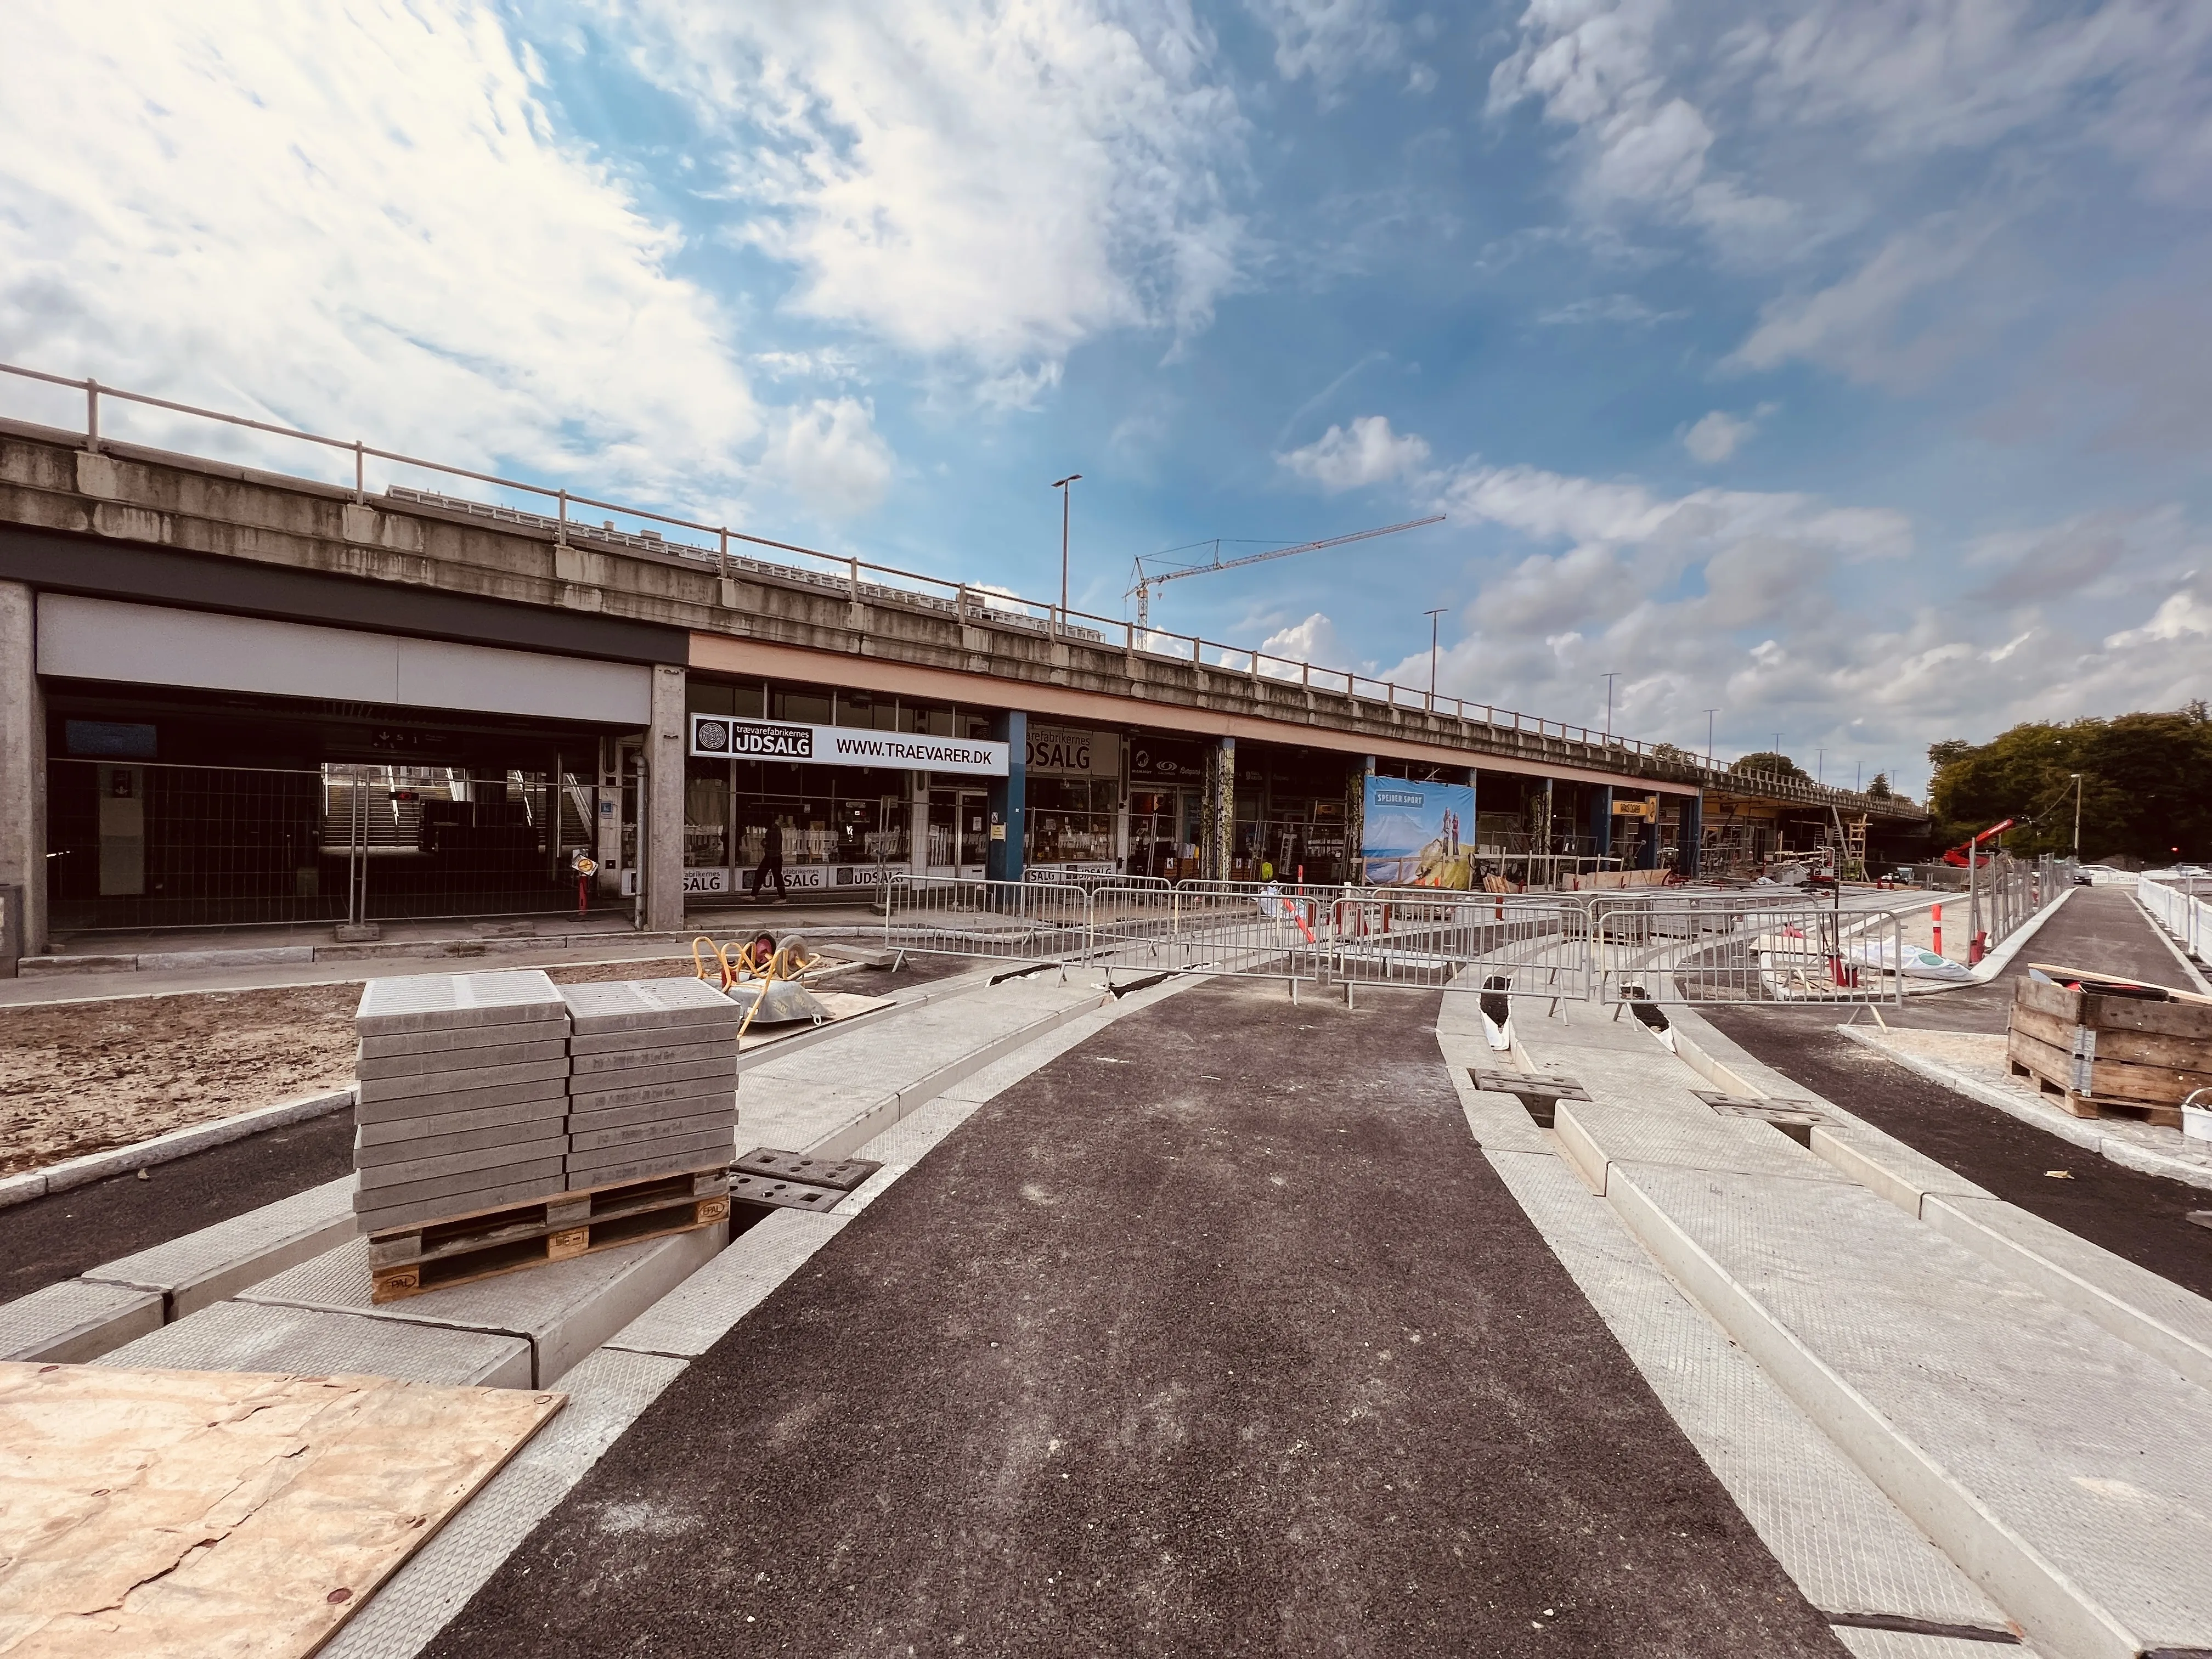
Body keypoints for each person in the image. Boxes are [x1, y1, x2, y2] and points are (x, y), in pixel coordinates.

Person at [752, 814, 788, 905]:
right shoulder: (775, 829)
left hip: (772, 856)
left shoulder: (773, 830)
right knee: (775, 876)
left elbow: (772, 843)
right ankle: (782, 896)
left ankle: (754, 894)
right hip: (774, 856)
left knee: (763, 874)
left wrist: (765, 843)